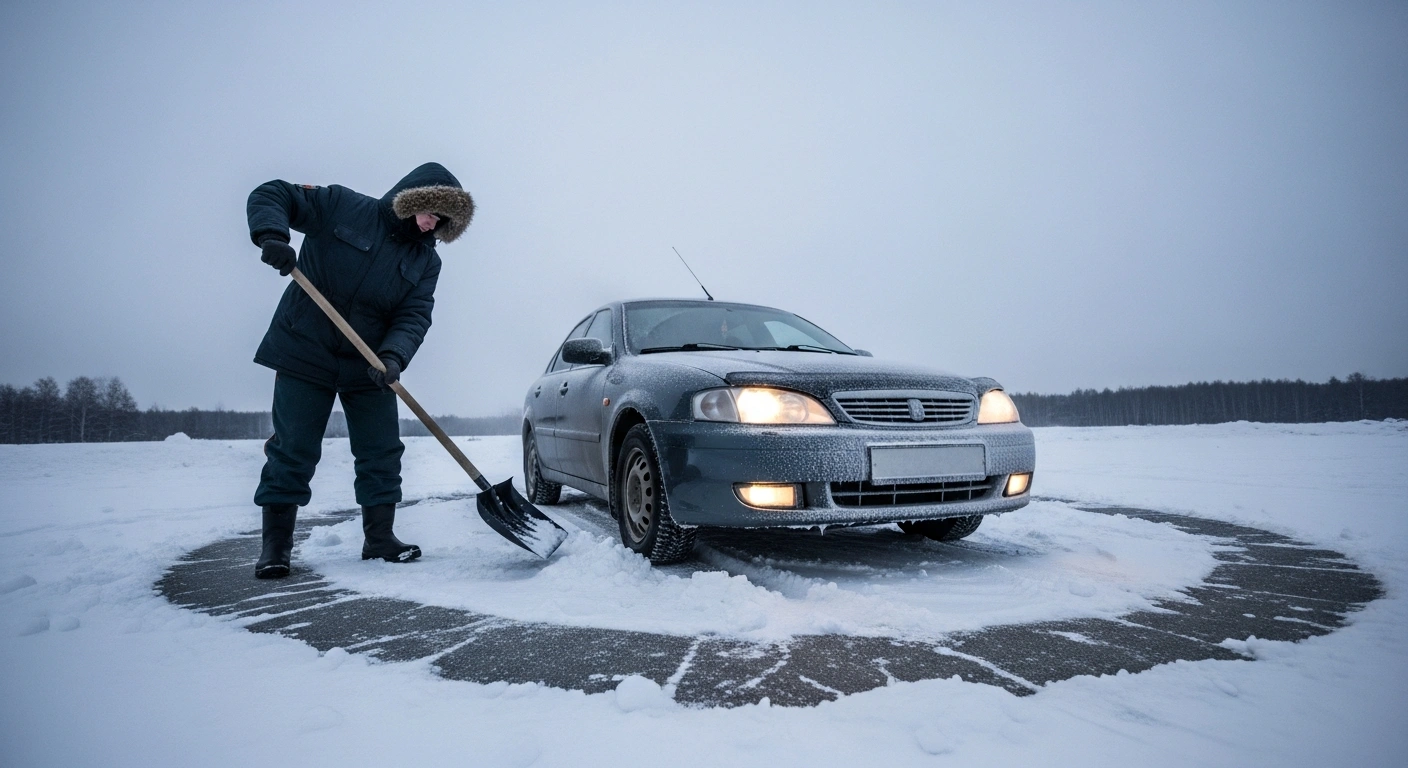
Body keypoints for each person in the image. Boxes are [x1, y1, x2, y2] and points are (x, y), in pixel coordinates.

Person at [246, 163, 474, 579]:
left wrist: (393, 358)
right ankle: (276, 547)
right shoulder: (342, 206)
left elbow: (414, 315)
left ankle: (380, 538)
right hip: (304, 351)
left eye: (442, 223)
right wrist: (272, 235)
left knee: (381, 450)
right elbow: (272, 192)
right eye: (430, 213)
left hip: (369, 362)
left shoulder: (426, 262)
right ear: (413, 198)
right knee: (293, 448)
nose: (431, 226)